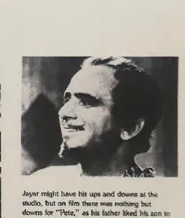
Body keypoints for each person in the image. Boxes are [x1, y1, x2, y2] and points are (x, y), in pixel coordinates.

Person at [34, 57, 162, 177]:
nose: (63, 112)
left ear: (130, 128)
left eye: (85, 102)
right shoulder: (43, 181)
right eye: (67, 100)